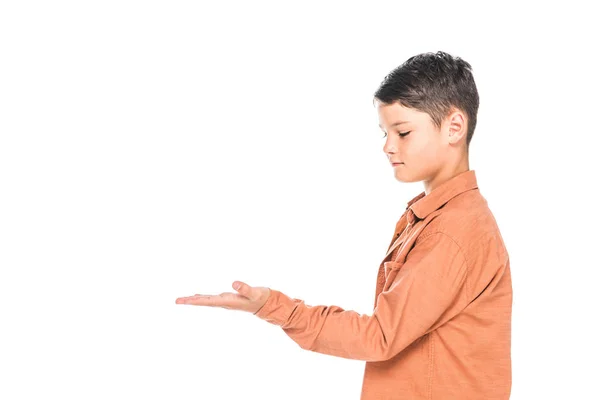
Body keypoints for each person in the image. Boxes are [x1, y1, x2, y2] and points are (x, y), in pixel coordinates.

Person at [175, 50, 512, 400]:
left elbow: (379, 336)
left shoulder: (453, 231)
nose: (387, 146)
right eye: (384, 132)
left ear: (454, 127)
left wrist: (271, 307)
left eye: (403, 132)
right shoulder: (439, 218)